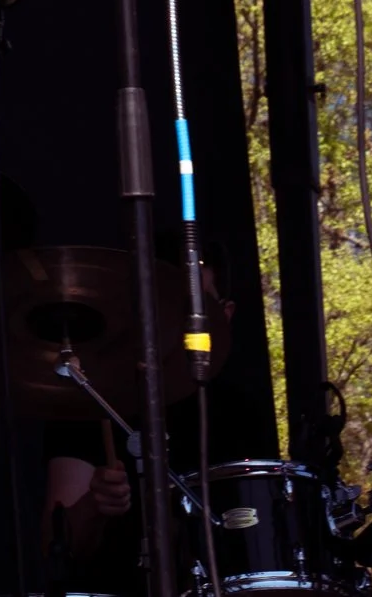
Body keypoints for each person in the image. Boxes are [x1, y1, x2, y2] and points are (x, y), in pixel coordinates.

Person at [41, 248, 248, 596]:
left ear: (225, 314)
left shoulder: (240, 410)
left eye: (200, 306)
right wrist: (95, 504)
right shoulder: (91, 402)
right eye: (169, 302)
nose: (186, 318)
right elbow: (55, 546)